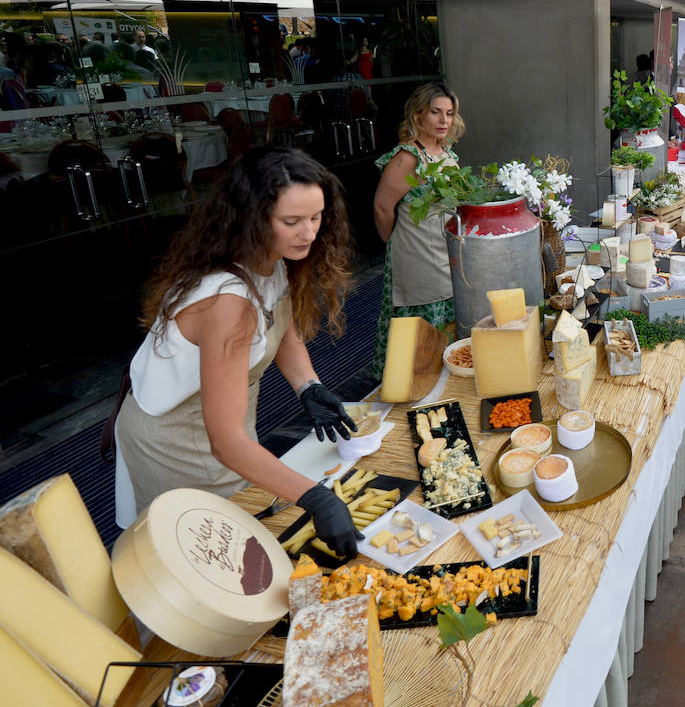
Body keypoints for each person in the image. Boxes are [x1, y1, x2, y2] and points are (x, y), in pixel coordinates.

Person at [115, 147, 361, 558]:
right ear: (252, 218)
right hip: (175, 439)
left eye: (317, 217)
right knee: (198, 557)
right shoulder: (227, 301)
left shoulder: (270, 259)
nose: (309, 233)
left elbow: (280, 326)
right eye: (292, 221)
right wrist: (317, 498)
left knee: (238, 536)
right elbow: (225, 443)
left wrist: (308, 386)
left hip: (222, 424)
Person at [371, 83, 464, 376]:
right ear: (418, 115)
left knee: (448, 322)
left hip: (444, 252)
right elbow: (382, 207)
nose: (443, 120)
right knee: (420, 325)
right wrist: (395, 243)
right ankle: (413, 384)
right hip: (417, 252)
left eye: (449, 113)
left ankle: (442, 383)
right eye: (435, 112)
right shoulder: (407, 158)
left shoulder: (446, 152)